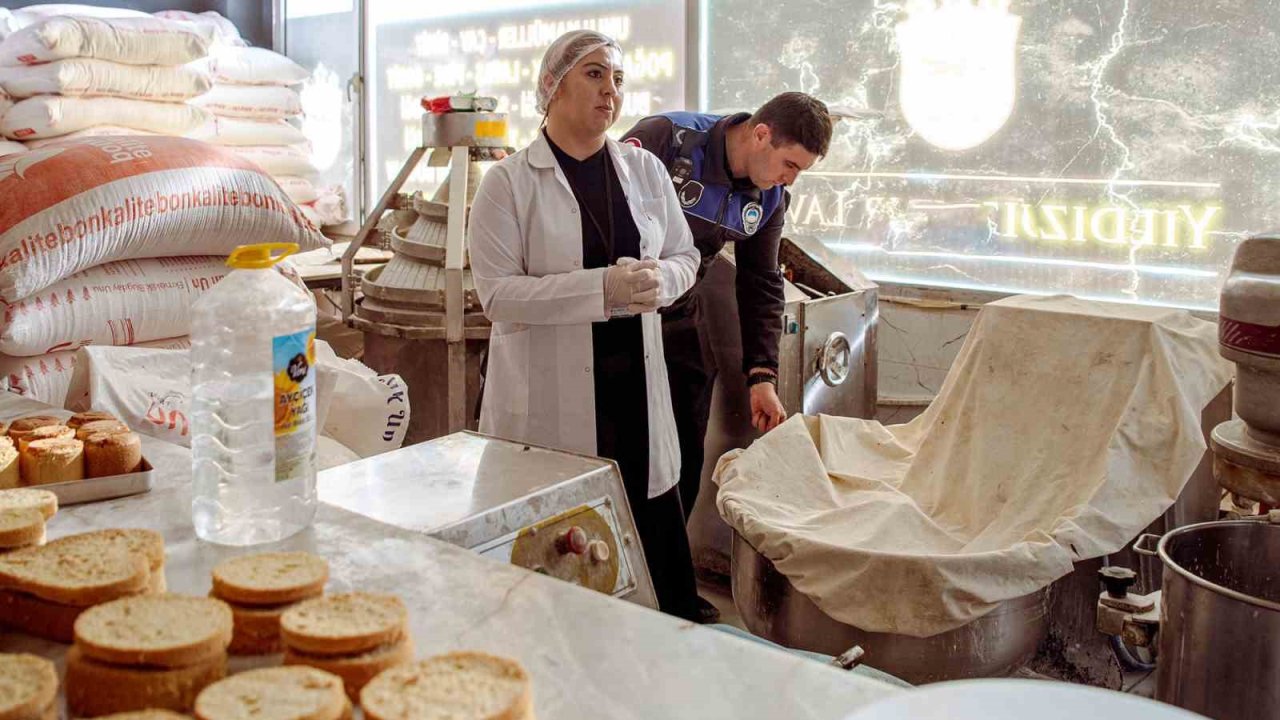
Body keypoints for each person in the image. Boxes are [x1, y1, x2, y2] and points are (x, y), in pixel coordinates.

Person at [468, 30, 704, 622]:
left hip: (636, 395)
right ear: (552, 87)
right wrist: (602, 289)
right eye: (595, 74)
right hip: (554, 401)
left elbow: (685, 254)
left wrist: (661, 283)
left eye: (618, 79)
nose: (610, 91)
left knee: (656, 570)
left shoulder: (643, 170)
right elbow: (497, 295)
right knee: (564, 573)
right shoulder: (508, 184)